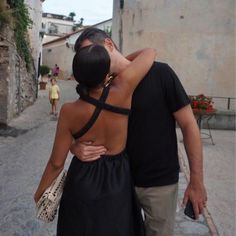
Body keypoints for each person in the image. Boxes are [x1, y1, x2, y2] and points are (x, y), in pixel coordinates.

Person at [70, 28, 207, 236]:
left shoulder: (161, 73)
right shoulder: (99, 88)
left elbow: (189, 125)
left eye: (93, 51)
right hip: (118, 184)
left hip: (160, 183)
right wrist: (74, 146)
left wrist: (196, 182)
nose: (92, 60)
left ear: (108, 44)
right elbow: (78, 124)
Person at [34, 44, 156, 235]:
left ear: (76, 75)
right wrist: (111, 68)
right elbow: (149, 52)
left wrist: (39, 193)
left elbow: (56, 163)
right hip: (118, 179)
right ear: (107, 73)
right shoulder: (124, 88)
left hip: (83, 180)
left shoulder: (68, 111)